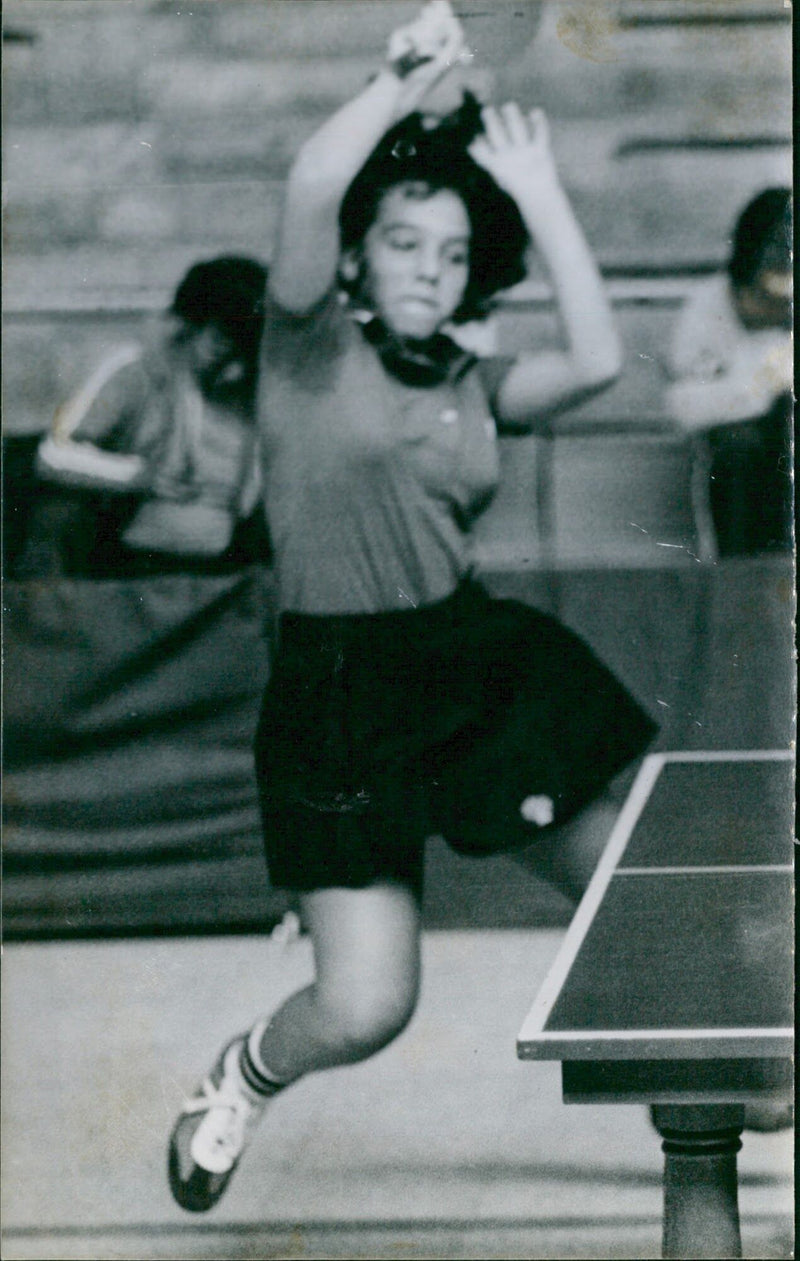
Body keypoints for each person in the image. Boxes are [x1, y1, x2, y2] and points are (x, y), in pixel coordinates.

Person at [167, 0, 656, 1213]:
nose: (428, 270)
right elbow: (314, 173)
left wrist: (533, 193)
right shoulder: (303, 351)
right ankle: (242, 1072)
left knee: (630, 891)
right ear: (354, 259)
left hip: (469, 668)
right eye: (402, 246)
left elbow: (595, 361)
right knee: (367, 1005)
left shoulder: (477, 381)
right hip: (338, 692)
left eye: (448, 252)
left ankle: (721, 1084)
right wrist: (401, 77)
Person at [29, 255, 269, 576]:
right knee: (58, 515)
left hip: (218, 552)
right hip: (133, 546)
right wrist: (140, 477)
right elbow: (52, 455)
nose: (227, 360)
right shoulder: (134, 369)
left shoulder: (245, 390)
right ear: (190, 324)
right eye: (218, 341)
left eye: (239, 348)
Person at [665, 188, 793, 556]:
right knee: (741, 446)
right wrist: (764, 381)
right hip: (741, 457)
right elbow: (685, 407)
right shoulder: (708, 305)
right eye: (772, 250)